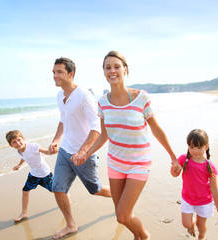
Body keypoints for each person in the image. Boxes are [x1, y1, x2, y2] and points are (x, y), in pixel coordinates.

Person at [73, 51, 181, 240]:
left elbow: (156, 130)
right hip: (115, 163)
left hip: (139, 163)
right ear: (104, 72)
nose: (112, 71)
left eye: (116, 66)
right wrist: (86, 153)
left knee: (122, 215)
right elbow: (103, 136)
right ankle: (137, 236)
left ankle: (144, 236)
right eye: (108, 67)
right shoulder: (103, 103)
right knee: (121, 216)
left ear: (125, 69)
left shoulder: (141, 97)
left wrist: (173, 157)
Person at [49, 57, 112, 239]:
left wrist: (83, 151)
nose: (55, 76)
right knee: (57, 188)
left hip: (85, 154)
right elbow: (63, 120)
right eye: (53, 72)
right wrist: (56, 140)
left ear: (71, 74)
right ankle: (71, 225)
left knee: (96, 190)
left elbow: (96, 127)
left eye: (59, 72)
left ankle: (120, 197)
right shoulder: (60, 96)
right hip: (65, 151)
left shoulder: (84, 95)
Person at [171, 129, 218, 240]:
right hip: (188, 198)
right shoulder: (183, 159)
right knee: (186, 224)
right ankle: (191, 225)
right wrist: (175, 170)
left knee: (200, 225)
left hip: (204, 201)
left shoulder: (209, 166)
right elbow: (174, 174)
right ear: (188, 146)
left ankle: (202, 236)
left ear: (206, 147)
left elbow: (214, 189)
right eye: (191, 147)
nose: (195, 151)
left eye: (199, 147)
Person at [6, 130, 54, 222]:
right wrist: (19, 165)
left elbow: (46, 152)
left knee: (55, 191)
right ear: (11, 145)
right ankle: (24, 213)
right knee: (25, 191)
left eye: (19, 140)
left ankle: (65, 195)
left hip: (45, 174)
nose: (18, 143)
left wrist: (51, 151)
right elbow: (24, 157)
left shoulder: (33, 146)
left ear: (23, 139)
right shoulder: (19, 151)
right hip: (34, 174)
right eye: (14, 142)